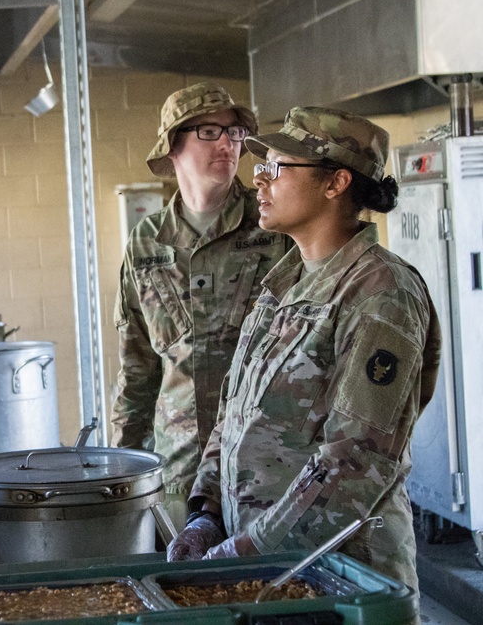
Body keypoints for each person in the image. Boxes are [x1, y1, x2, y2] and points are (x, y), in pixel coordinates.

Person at [167, 106, 441, 595]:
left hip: (339, 577)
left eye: (276, 168)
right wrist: (204, 515)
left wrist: (249, 552)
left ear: (335, 183)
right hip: (266, 574)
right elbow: (234, 414)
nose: (259, 181)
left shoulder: (381, 294)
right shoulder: (285, 283)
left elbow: (356, 460)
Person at [111, 82, 290, 529]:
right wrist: (116, 472)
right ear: (173, 146)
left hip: (264, 469)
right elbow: (138, 369)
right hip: (179, 471)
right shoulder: (146, 242)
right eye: (209, 131)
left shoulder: (275, 226)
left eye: (234, 133)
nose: (227, 143)